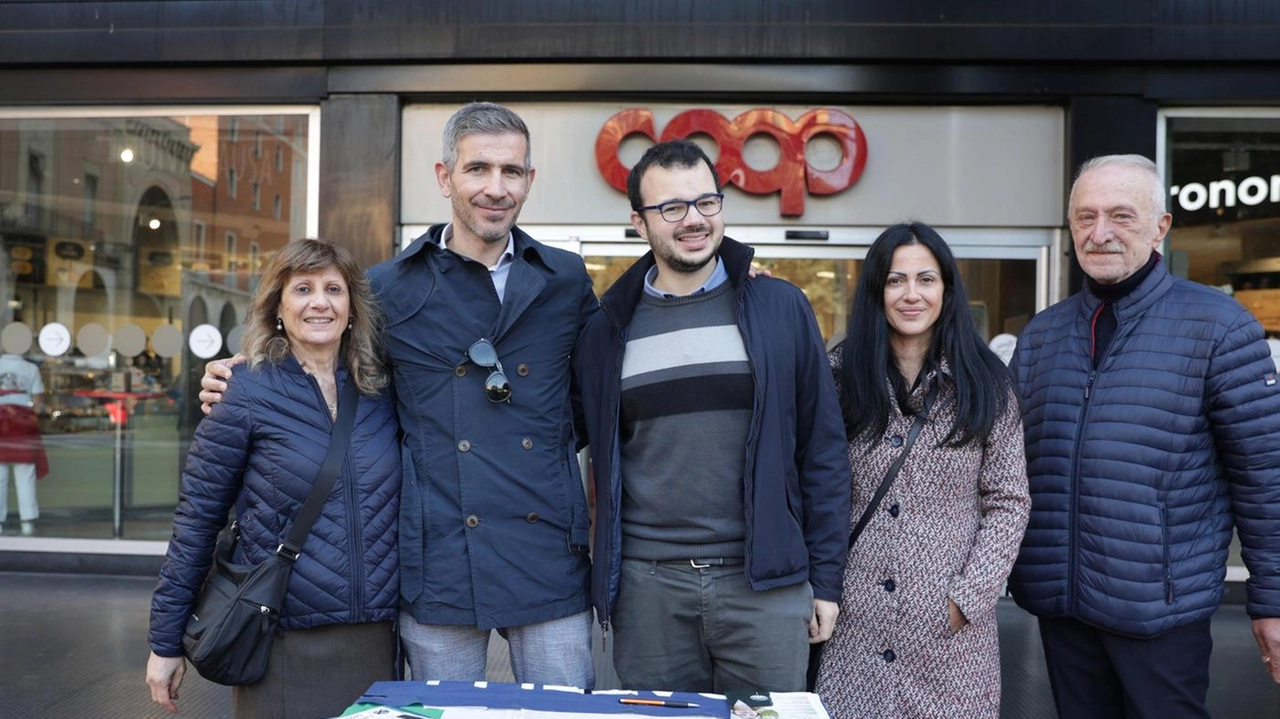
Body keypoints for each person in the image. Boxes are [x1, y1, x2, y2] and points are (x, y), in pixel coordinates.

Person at [201, 102, 599, 688]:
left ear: (529, 180)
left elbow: (595, 393)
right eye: (477, 169)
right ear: (445, 177)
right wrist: (243, 373)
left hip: (546, 555)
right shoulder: (386, 287)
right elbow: (328, 374)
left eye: (511, 172)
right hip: (438, 557)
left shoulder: (565, 278)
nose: (496, 188)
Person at [573, 139, 851, 693]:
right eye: (672, 208)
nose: (694, 220)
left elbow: (822, 452)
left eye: (707, 202)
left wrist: (825, 582)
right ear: (639, 222)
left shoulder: (781, 308)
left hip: (765, 585)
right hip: (648, 591)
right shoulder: (606, 331)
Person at [1009, 154, 1280, 718]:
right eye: (1085, 217)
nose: (1099, 232)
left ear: (1161, 226)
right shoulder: (1042, 336)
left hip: (1161, 613)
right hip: (1063, 608)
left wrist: (1272, 600)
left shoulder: (1220, 328)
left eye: (1121, 216)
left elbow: (1265, 479)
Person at [147, 239, 401, 717]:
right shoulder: (243, 391)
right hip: (279, 635)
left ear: (352, 307)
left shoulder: (382, 391)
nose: (320, 301)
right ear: (278, 307)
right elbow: (197, 520)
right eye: (302, 288)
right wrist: (164, 641)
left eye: (334, 289)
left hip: (374, 640)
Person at [813, 222, 1030, 717]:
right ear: (876, 291)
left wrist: (966, 599)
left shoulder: (986, 384)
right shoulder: (839, 376)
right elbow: (815, 488)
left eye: (926, 279)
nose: (911, 294)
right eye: (895, 280)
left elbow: (1009, 500)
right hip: (853, 626)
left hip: (948, 635)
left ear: (947, 289)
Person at [0, 351, 47, 536]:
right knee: (25, 474)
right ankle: (27, 521)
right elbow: (37, 402)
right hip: (22, 424)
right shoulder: (31, 368)